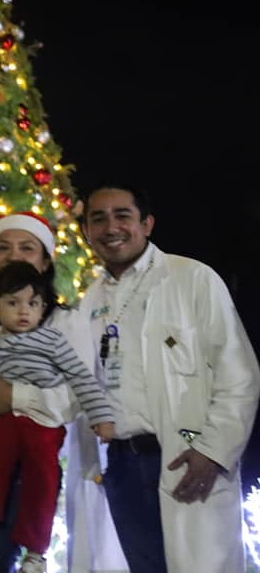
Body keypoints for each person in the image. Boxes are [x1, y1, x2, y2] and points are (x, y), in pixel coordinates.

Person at [0, 211, 126, 573]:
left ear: (45, 262)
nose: (14, 255)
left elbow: (76, 393)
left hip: (19, 464)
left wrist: (14, 397)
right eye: (3, 247)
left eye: (26, 247)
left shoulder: (64, 323)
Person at [80, 182, 260, 573]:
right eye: (98, 219)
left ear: (146, 224)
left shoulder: (191, 278)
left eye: (122, 216)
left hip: (186, 459)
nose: (111, 227)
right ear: (87, 232)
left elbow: (239, 373)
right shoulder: (91, 299)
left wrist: (213, 450)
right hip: (123, 467)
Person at [0, 261, 115, 573]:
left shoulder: (53, 340)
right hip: (2, 424)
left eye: (33, 303)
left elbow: (81, 378)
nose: (23, 311)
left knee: (43, 484)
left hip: (42, 424)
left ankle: (35, 555)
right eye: (13, 303)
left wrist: (101, 416)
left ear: (43, 307)